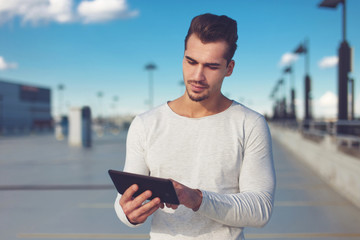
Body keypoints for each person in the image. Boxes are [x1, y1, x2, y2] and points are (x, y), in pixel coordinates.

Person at [114, 13, 276, 240]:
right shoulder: (146, 124)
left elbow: (260, 209)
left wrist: (198, 199)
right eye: (191, 62)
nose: (197, 75)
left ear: (229, 68)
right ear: (183, 58)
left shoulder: (250, 124)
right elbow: (123, 203)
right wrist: (129, 214)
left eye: (211, 66)